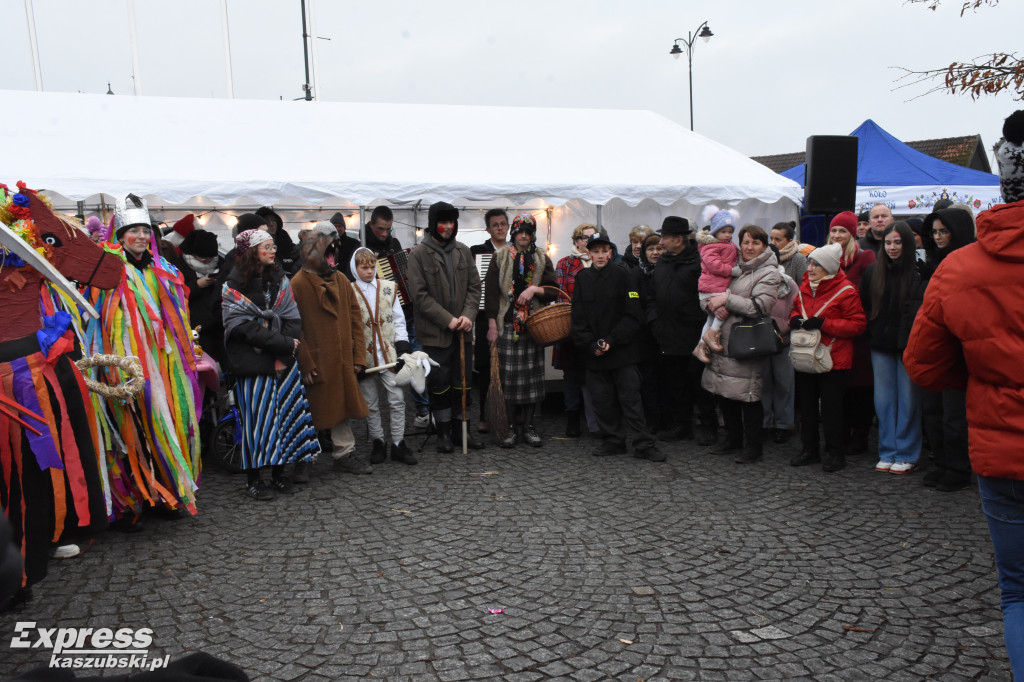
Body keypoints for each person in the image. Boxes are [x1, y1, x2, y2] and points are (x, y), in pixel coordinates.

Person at [904, 110, 1024, 675]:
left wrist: (982, 376)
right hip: (1003, 445)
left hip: (1004, 448)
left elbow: (924, 365)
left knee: (1019, 591)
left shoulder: (959, 269)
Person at [85, 194, 202, 525]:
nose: (140, 237)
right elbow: (95, 315)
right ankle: (130, 500)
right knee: (131, 424)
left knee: (168, 420)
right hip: (124, 361)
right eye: (132, 231)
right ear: (120, 236)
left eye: (144, 231)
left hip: (163, 361)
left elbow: (177, 312)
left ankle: (170, 492)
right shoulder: (108, 269)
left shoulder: (163, 268)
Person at [221, 228, 320, 499]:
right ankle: (254, 480)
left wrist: (284, 353)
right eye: (266, 246)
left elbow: (292, 317)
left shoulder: (280, 279)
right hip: (252, 363)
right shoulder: (233, 284)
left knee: (283, 418)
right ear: (252, 251)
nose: (273, 251)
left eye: (273, 246)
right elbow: (241, 327)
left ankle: (278, 474)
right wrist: (283, 345)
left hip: (282, 361)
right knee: (257, 422)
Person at [571, 233, 662, 461]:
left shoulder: (625, 276)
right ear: (589, 254)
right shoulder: (582, 279)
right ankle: (613, 441)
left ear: (610, 253)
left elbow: (634, 315)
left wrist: (612, 340)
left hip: (623, 352)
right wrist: (592, 344)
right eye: (596, 251)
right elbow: (577, 318)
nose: (600, 255)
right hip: (594, 354)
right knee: (602, 401)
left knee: (631, 400)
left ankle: (643, 444)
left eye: (604, 251)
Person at [291, 223, 371, 475]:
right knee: (309, 411)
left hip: (342, 359)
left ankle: (344, 453)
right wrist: (305, 361)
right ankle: (303, 459)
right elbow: (294, 328)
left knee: (341, 408)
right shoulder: (298, 284)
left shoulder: (341, 280)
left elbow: (356, 319)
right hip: (316, 361)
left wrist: (358, 355)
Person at [700, 225, 781, 464]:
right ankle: (732, 438)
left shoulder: (769, 272)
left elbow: (760, 306)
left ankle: (753, 446)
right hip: (724, 340)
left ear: (764, 246)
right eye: (745, 242)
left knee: (748, 395)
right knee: (725, 391)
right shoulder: (736, 268)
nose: (749, 247)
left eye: (755, 243)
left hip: (747, 342)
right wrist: (712, 304)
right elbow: (710, 293)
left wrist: (727, 300)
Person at [406, 201, 482, 453]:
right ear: (433, 224)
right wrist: (448, 319)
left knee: (463, 382)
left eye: (451, 222)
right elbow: (420, 295)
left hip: (464, 331)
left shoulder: (463, 250)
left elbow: (474, 287)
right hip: (435, 334)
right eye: (443, 222)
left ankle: (464, 430)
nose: (448, 227)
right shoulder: (418, 255)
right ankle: (444, 434)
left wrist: (468, 315)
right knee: (440, 384)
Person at [789, 243, 866, 473]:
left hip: (834, 358)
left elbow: (858, 325)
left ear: (828, 268)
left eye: (816, 264)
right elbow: (796, 309)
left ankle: (835, 453)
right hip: (806, 356)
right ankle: (809, 449)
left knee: (832, 409)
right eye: (810, 262)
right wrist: (794, 318)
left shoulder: (846, 290)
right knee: (808, 406)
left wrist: (825, 324)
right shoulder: (805, 286)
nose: (810, 267)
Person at [917, 206, 977, 491]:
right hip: (934, 348)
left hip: (957, 351)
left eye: (944, 231)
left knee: (954, 415)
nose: (938, 237)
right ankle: (942, 462)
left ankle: (958, 467)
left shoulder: (969, 263)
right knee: (932, 410)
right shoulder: (931, 263)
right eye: (935, 232)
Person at [484, 214, 557, 447]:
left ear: (532, 234)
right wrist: (492, 325)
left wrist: (535, 289)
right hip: (507, 326)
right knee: (509, 381)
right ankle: (511, 428)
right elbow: (491, 293)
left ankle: (530, 426)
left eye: (528, 231)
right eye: (519, 231)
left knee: (532, 383)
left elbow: (554, 290)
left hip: (533, 326)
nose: (523, 235)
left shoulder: (542, 257)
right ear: (513, 233)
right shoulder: (501, 256)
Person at [860, 222, 926, 474]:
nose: (892, 247)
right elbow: (866, 305)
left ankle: (907, 453)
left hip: (909, 344)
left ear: (907, 243)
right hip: (881, 344)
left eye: (898, 242)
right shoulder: (873, 272)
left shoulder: (919, 272)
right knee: (884, 401)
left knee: (908, 400)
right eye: (888, 242)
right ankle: (887, 450)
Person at [650, 216, 718, 445]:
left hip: (694, 334)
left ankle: (708, 426)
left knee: (700, 383)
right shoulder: (663, 262)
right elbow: (652, 294)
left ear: (679, 239)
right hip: (668, 333)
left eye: (665, 237)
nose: (661, 242)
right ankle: (682, 426)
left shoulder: (699, 262)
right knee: (676, 383)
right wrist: (655, 321)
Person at [350, 247, 416, 465]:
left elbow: (399, 320)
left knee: (397, 400)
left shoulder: (389, 288)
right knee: (371, 403)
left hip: (389, 354)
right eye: (364, 267)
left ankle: (398, 442)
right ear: (355, 268)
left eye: (372, 267)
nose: (369, 271)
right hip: (364, 358)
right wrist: (353, 359)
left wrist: (403, 349)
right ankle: (378, 441)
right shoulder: (349, 292)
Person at [828, 210, 876, 456]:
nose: (837, 235)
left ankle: (860, 436)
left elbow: (871, 296)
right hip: (831, 335)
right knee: (840, 389)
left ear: (852, 233)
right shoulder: (825, 259)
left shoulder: (865, 258)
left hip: (857, 336)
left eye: (842, 231)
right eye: (834, 230)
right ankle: (841, 433)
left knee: (860, 389)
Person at [553, 223, 600, 438]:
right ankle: (572, 418)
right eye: (583, 237)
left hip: (598, 328)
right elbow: (561, 296)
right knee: (571, 375)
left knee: (594, 375)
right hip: (571, 328)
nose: (587, 241)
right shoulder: (565, 263)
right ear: (575, 240)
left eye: (592, 237)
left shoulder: (602, 262)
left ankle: (595, 422)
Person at [471, 209, 510, 433]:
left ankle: (509, 414)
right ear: (488, 228)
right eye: (495, 224)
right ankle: (486, 414)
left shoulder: (516, 252)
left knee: (508, 366)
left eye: (503, 224)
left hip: (511, 315)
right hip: (485, 316)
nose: (499, 228)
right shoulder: (477, 252)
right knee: (485, 367)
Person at [760, 244, 799, 444]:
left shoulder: (788, 283)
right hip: (760, 341)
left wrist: (787, 329)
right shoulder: (754, 281)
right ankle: (764, 423)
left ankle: (784, 424)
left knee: (785, 384)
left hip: (784, 340)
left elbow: (797, 308)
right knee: (763, 383)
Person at [693, 206, 740, 362]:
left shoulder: (727, 244)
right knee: (722, 311)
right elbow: (715, 265)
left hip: (717, 285)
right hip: (713, 287)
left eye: (730, 231)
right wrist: (732, 271)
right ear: (715, 231)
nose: (727, 235)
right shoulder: (710, 246)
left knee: (711, 318)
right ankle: (713, 334)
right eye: (724, 231)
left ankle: (700, 345)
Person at [173, 227, 225, 362]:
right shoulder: (178, 266)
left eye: (211, 258)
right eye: (203, 258)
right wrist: (197, 285)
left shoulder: (222, 263)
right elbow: (175, 294)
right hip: (195, 326)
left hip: (219, 323)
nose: (208, 261)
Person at [636, 233, 670, 433]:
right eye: (651, 249)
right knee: (647, 381)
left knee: (668, 379)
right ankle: (652, 420)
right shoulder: (636, 274)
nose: (655, 252)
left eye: (659, 248)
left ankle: (668, 419)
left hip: (668, 335)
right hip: (645, 336)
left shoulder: (671, 271)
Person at [255, 206, 297, 273]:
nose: (271, 224)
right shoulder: (255, 247)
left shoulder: (287, 244)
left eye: (273, 220)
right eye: (267, 221)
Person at [769, 221, 808, 285]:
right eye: (771, 239)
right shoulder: (765, 257)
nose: (773, 243)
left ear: (790, 241)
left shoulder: (798, 259)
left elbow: (804, 286)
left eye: (777, 239)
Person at [328, 211, 361, 281]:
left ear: (344, 228)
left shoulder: (354, 243)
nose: (337, 228)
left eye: (340, 226)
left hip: (349, 280)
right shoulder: (326, 244)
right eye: (335, 226)